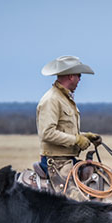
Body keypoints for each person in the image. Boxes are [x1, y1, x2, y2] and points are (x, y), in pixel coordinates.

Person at [36, 55, 103, 194]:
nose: (80, 79)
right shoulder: (52, 99)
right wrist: (77, 140)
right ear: (71, 76)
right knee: (78, 204)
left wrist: (86, 136)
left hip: (68, 160)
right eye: (79, 75)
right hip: (57, 163)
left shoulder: (64, 98)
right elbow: (47, 133)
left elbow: (63, 130)